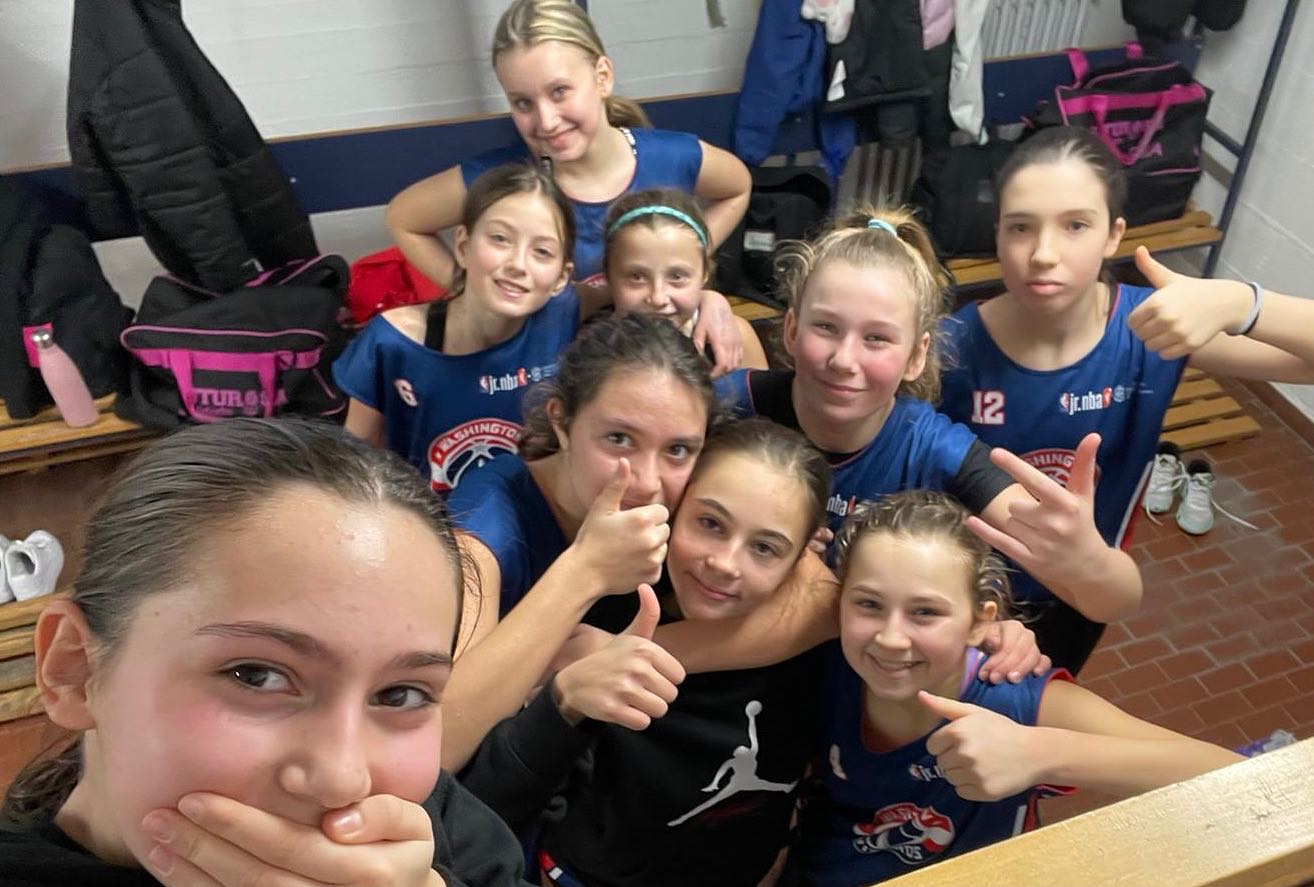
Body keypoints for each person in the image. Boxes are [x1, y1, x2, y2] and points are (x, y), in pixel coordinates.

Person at [441, 314, 1045, 774]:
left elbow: (823, 599)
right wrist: (584, 572)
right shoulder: (489, 526)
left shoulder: (691, 496)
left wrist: (638, 652)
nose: (647, 481)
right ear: (562, 420)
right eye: (618, 439)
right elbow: (438, 740)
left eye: (677, 449)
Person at [0, 418, 534, 887]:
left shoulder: (435, 821)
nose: (344, 780)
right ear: (75, 669)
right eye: (256, 675)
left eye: (400, 694)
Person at [939, 125, 1314, 671]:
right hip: (960, 591)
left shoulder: (1148, 327)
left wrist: (1244, 304)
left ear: (1113, 235)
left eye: (1075, 225)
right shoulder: (949, 346)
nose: (1043, 253)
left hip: (1081, 590)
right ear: (997, 232)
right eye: (1021, 227)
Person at [714, 207, 1143, 636]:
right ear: (792, 330)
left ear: (916, 355)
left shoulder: (935, 451)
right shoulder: (729, 403)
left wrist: (1088, 560)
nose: (844, 359)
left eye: (876, 338)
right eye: (826, 327)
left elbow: (1114, 601)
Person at [791, 490, 1242, 886]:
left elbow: (1237, 775)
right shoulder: (826, 661)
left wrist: (1040, 753)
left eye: (925, 612)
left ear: (980, 622)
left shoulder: (1013, 698)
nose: (891, 638)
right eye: (869, 604)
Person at [463, 418, 833, 886]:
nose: (724, 564)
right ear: (674, 509)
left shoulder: (813, 647)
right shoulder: (602, 608)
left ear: (803, 556)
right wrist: (563, 702)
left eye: (764, 548)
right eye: (710, 523)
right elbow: (483, 805)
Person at [385, 1, 750, 372]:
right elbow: (405, 218)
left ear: (602, 76)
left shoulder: (672, 157)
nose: (546, 120)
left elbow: (737, 188)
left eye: (559, 91)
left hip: (648, 364)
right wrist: (480, 293)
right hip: (549, 370)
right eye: (523, 102)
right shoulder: (507, 180)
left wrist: (691, 269)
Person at [335, 164, 579, 492]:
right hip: (424, 515)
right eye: (500, 239)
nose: (518, 265)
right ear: (463, 246)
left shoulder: (562, 315)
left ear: (561, 277)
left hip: (530, 511)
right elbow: (354, 465)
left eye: (542, 252)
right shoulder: (392, 344)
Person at [602, 188, 769, 370]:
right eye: (636, 277)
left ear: (705, 273)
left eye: (677, 276)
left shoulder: (735, 338)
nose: (658, 298)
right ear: (608, 275)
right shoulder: (589, 341)